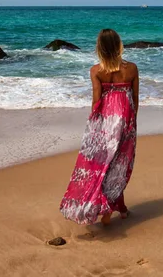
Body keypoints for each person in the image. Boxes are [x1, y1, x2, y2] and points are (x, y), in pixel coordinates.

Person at [60, 28, 139, 226]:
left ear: (100, 48)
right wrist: (132, 120)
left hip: (104, 121)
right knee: (119, 165)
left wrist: (93, 124)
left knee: (101, 164)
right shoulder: (132, 69)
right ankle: (114, 208)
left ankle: (109, 207)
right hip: (126, 119)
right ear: (119, 45)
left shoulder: (96, 70)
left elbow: (96, 100)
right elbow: (135, 98)